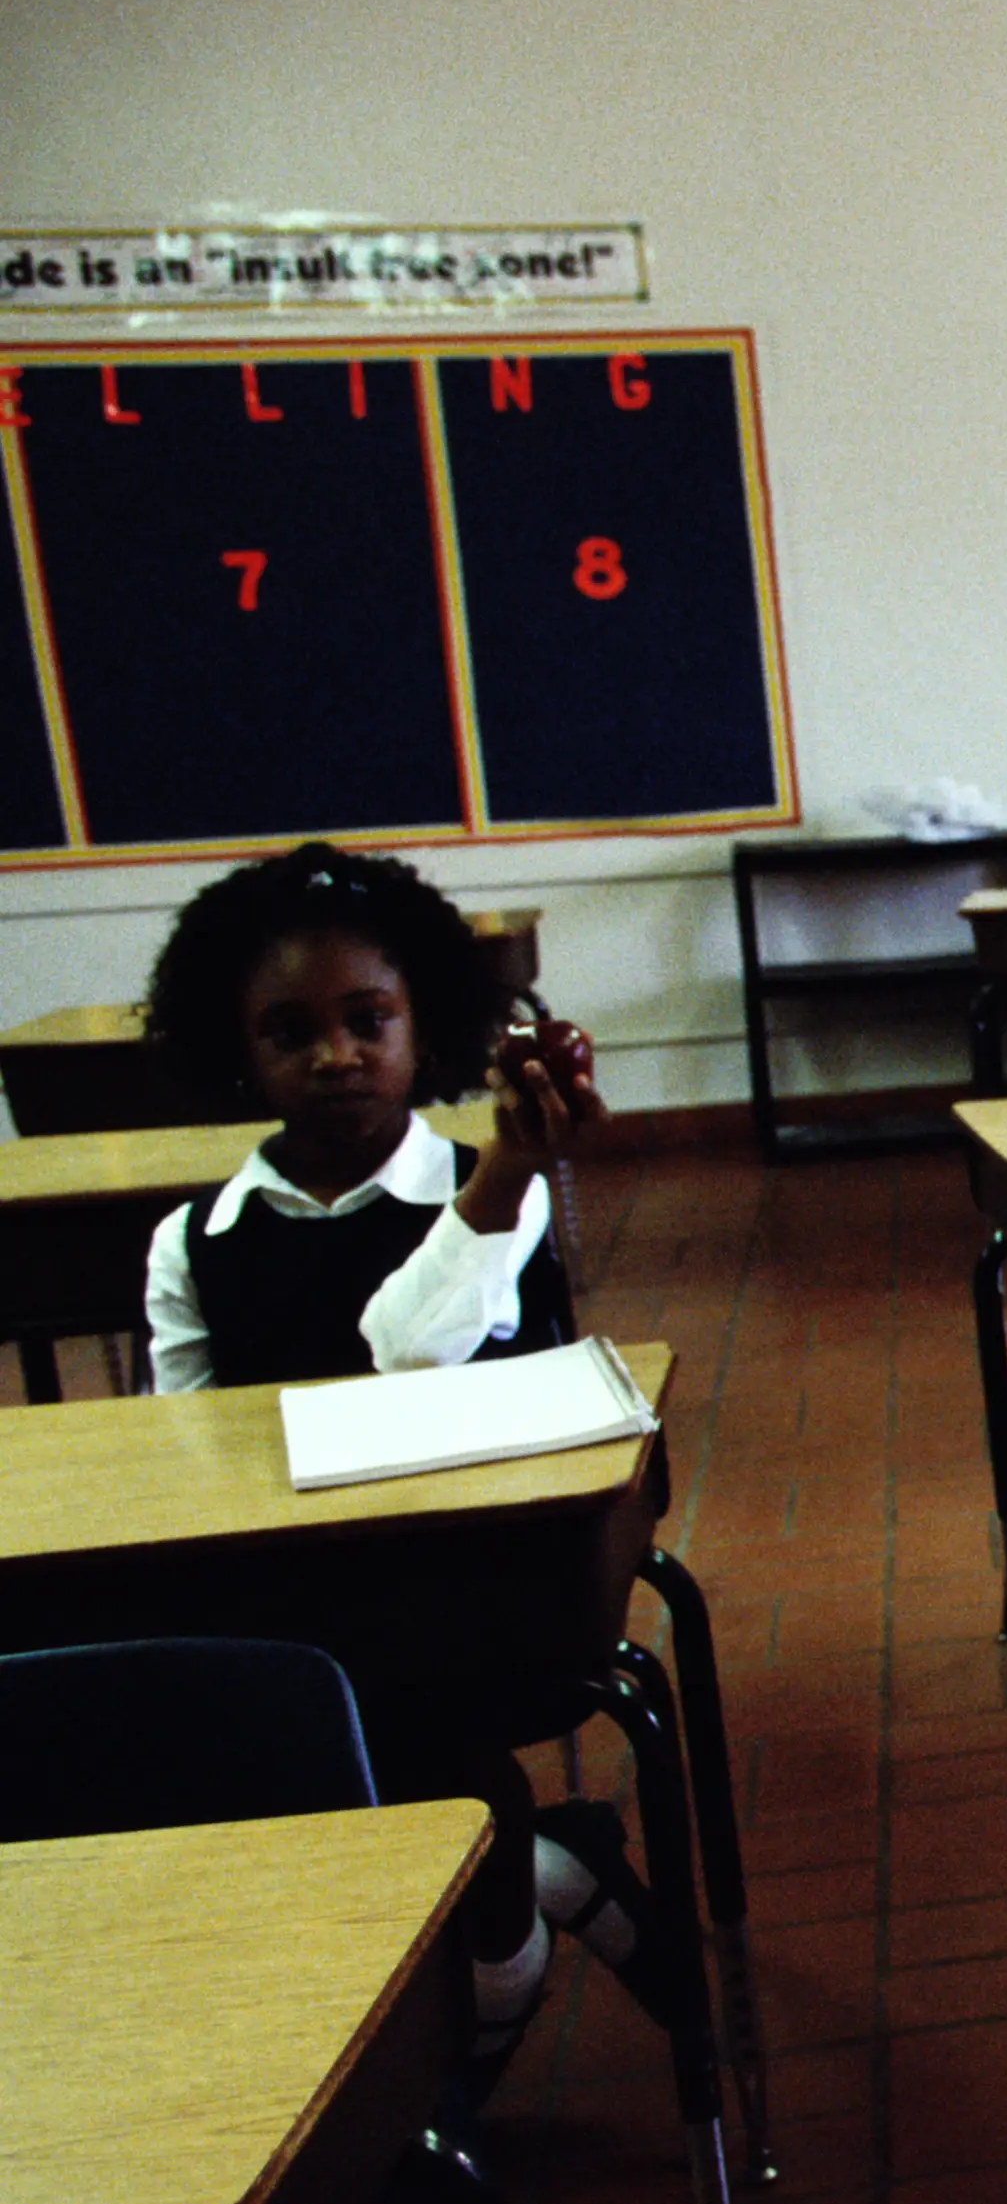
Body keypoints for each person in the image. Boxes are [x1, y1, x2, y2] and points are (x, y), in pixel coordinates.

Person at [137, 840, 683, 2078]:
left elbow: (409, 1353)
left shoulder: (497, 1185)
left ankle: (467, 2018)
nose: (335, 1054)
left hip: (493, 1575)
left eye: (366, 1018)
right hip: (299, 1586)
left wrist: (502, 1168)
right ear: (238, 1050)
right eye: (289, 1029)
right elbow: (188, 1451)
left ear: (418, 1022)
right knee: (226, 1706)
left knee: (382, 1713)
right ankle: (544, 1869)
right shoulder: (195, 1239)